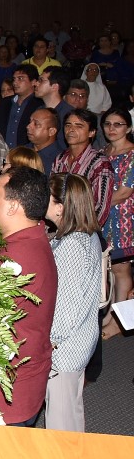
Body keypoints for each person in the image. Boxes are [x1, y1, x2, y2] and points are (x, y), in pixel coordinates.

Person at [0, 165, 58, 426]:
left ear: (14, 206)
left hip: (8, 396)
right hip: (18, 385)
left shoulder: (19, 258)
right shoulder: (29, 238)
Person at [44, 173, 103, 432]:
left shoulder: (71, 246)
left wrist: (50, 344)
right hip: (81, 340)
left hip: (65, 349)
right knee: (71, 413)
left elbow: (65, 310)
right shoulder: (84, 236)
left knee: (60, 424)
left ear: (60, 207)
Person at [101, 107, 134, 340]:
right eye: (108, 124)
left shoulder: (132, 154)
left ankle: (119, 322)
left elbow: (123, 192)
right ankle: (110, 313)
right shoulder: (103, 151)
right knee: (107, 268)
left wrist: (94, 207)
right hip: (104, 217)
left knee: (121, 269)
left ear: (129, 128)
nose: (112, 129)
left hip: (123, 218)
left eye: (118, 124)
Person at [52, 109, 113, 224]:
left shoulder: (99, 163)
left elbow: (101, 208)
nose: (71, 130)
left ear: (92, 132)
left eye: (79, 126)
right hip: (59, 226)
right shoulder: (60, 159)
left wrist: (81, 232)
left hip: (84, 231)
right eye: (68, 125)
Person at [0, 65, 42, 148]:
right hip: (4, 153)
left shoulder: (39, 104)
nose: (15, 83)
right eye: (14, 79)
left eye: (20, 78)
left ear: (33, 82)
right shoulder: (5, 102)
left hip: (27, 154)